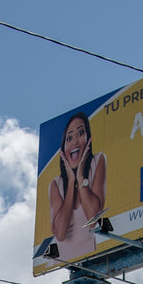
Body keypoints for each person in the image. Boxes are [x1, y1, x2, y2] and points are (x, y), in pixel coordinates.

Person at [48, 111, 107, 261]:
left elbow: (94, 218)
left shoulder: (98, 161)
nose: (74, 142)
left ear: (88, 138)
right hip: (62, 264)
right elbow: (60, 233)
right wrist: (70, 183)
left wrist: (80, 178)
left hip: (93, 259)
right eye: (69, 138)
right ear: (64, 147)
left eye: (81, 133)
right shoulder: (56, 184)